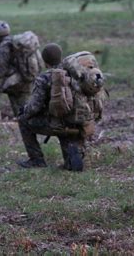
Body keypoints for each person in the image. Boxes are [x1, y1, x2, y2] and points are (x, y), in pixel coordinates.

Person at [16, 43, 86, 171]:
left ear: (44, 60)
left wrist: (24, 112)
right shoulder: (73, 73)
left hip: (55, 123)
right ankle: (71, 161)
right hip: (75, 121)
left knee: (23, 120)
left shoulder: (44, 78)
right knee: (64, 125)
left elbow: (34, 107)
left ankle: (36, 160)